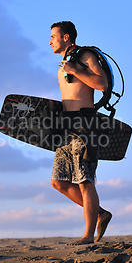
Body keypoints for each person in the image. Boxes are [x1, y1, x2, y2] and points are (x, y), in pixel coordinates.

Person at [49, 21, 113, 245]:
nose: (50, 42)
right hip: (66, 129)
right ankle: (100, 214)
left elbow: (103, 84)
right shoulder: (61, 68)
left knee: (85, 181)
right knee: (58, 181)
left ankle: (87, 236)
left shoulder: (85, 56)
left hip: (85, 125)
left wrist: (75, 70)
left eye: (53, 37)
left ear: (66, 37)